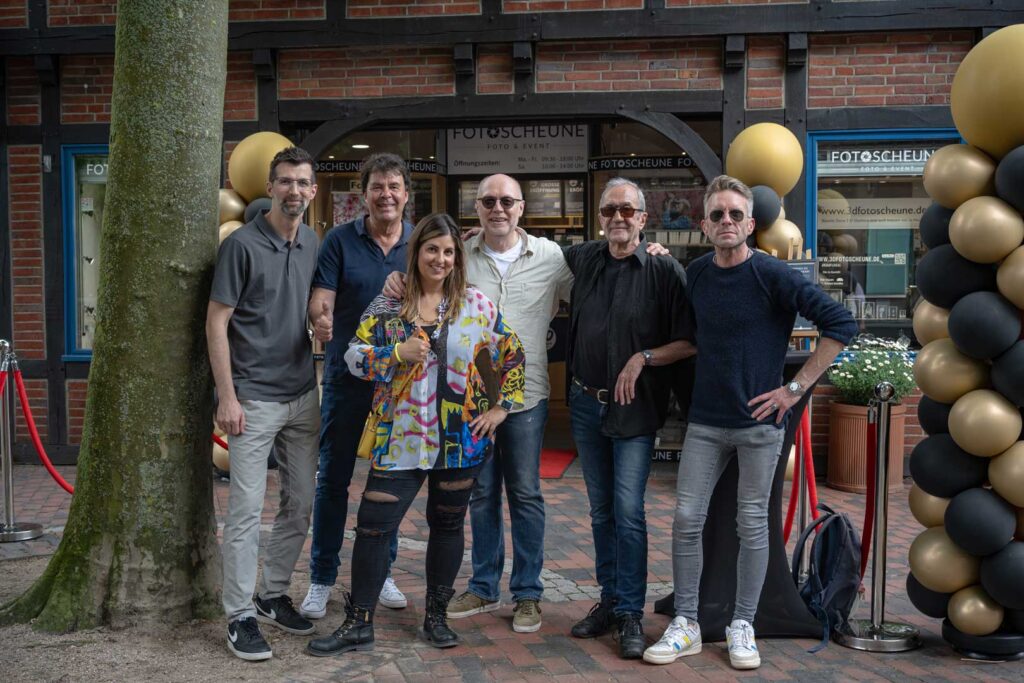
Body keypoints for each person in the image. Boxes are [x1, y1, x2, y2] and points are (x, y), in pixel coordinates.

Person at [643, 175, 856, 670]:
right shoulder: (696, 273)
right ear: (704, 223)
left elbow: (841, 325)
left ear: (751, 224)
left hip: (760, 426)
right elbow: (694, 337)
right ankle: (688, 624)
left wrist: (795, 389)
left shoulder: (772, 275)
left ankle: (743, 625)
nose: (726, 222)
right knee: (686, 520)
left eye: (735, 215)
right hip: (705, 422)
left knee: (752, 524)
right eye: (716, 215)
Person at [306, 213, 526, 657]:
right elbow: (352, 355)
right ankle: (359, 621)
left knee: (446, 526)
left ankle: (436, 617)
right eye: (432, 249)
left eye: (448, 252)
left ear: (456, 257)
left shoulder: (476, 304)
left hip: (460, 441)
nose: (440, 259)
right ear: (417, 252)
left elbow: (511, 352)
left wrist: (501, 408)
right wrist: (394, 354)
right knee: (372, 528)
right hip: (400, 436)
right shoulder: (391, 305)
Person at [564, 178, 695, 660]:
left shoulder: (664, 271)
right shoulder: (586, 259)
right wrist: (475, 238)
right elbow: (529, 251)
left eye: (627, 211)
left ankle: (630, 614)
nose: (617, 218)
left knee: (628, 511)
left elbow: (687, 340)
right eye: (609, 210)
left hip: (635, 410)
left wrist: (642, 357)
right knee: (600, 512)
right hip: (584, 403)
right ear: (600, 218)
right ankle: (609, 602)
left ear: (643, 218)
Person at [207, 146, 321, 661]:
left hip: (302, 395)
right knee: (247, 511)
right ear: (271, 187)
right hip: (252, 398)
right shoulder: (243, 246)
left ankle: (272, 593)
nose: (294, 190)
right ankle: (239, 616)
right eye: (285, 182)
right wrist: (226, 396)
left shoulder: (313, 241)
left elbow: (313, 308)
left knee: (300, 504)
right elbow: (216, 321)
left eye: (302, 182)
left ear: (313, 191)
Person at [302, 153, 414, 621]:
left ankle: (380, 571)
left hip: (401, 387)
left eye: (393, 186)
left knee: (387, 485)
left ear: (406, 193)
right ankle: (321, 577)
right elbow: (321, 299)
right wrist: (320, 319)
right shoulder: (340, 240)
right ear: (363, 193)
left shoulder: (421, 241)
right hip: (349, 381)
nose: (385, 195)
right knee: (333, 481)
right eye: (377, 187)